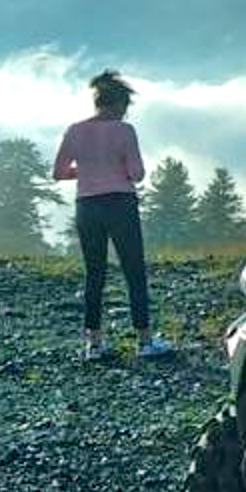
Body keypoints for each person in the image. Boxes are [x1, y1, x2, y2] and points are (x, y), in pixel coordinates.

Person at [52, 70, 172, 363]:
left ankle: (94, 344)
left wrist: (89, 170)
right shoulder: (124, 131)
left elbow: (58, 172)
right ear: (118, 104)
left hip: (87, 205)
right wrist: (113, 168)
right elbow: (137, 174)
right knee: (133, 271)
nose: (124, 113)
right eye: (125, 107)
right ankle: (144, 341)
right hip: (120, 202)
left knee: (95, 274)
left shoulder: (74, 130)